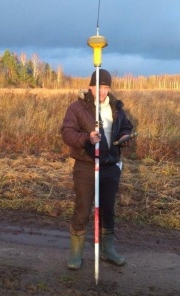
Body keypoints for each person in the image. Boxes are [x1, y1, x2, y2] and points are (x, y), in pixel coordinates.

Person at [61, 69, 134, 270]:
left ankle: (107, 250)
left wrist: (125, 137)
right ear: (90, 87)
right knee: (83, 210)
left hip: (110, 166)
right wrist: (87, 138)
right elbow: (67, 133)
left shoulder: (116, 107)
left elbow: (127, 126)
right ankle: (76, 255)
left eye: (106, 87)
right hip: (86, 166)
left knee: (108, 210)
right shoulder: (77, 108)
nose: (102, 91)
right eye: (99, 87)